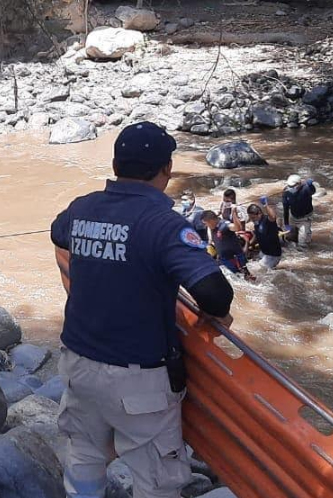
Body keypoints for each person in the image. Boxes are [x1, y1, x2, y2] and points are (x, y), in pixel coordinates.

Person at [50, 121, 234, 498]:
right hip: (139, 381)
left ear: (116, 164)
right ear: (166, 169)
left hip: (78, 364)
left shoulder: (82, 208)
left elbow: (59, 233)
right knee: (157, 481)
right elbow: (216, 296)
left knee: (83, 456)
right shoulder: (165, 225)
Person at [202, 210, 254, 280]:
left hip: (235, 259)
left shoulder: (224, 225)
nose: (205, 226)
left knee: (245, 278)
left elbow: (237, 228)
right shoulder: (212, 227)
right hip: (224, 259)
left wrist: (234, 213)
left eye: (206, 223)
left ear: (211, 221)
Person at [247, 196, 282, 269]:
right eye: (250, 218)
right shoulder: (257, 222)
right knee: (251, 263)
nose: (252, 220)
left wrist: (265, 205)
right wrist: (249, 244)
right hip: (264, 253)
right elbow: (257, 235)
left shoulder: (267, 220)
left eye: (253, 218)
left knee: (258, 271)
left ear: (259, 214)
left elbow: (272, 216)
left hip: (273, 255)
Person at [282, 174, 316, 248]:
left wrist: (311, 185)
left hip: (305, 218)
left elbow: (313, 191)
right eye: (289, 186)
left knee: (302, 243)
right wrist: (286, 224)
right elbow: (285, 209)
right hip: (293, 217)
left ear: (299, 184)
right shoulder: (286, 192)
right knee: (289, 238)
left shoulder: (306, 189)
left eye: (292, 186)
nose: (290, 188)